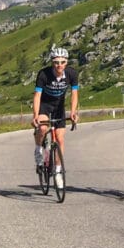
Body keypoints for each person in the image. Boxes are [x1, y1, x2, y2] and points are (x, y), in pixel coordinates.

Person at [32, 46, 79, 189]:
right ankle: (39, 149)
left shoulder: (72, 74)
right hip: (44, 105)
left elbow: (74, 93)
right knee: (43, 128)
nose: (59, 65)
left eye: (62, 62)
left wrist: (73, 112)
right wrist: (35, 115)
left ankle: (58, 171)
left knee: (60, 138)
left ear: (66, 62)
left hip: (59, 106)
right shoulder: (44, 74)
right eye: (56, 62)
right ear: (52, 62)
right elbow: (37, 95)